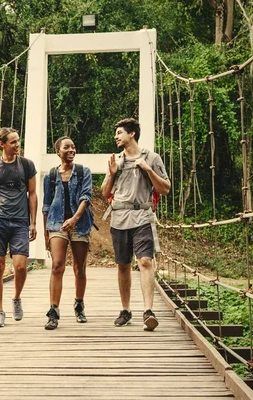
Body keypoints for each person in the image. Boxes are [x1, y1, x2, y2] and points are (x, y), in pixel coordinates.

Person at [100, 118, 170, 331]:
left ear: (132, 134)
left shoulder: (152, 158)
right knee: (123, 265)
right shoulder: (117, 160)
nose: (116, 136)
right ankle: (125, 310)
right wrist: (111, 174)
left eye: (119, 132)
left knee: (145, 261)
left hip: (142, 217)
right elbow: (105, 193)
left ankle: (148, 311)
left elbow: (165, 188)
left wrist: (148, 170)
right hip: (120, 218)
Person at [0, 127, 38, 327]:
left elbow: (32, 193)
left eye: (18, 141)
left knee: (20, 266)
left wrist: (33, 222)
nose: (17, 145)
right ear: (2, 144)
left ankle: (16, 298)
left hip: (19, 221)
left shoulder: (26, 165)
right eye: (13, 142)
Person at [42, 136, 94, 330]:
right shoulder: (50, 176)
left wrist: (74, 219)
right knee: (57, 266)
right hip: (56, 224)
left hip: (79, 224)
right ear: (58, 152)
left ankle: (79, 304)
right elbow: (46, 206)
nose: (71, 150)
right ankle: (53, 311)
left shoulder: (83, 172)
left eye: (73, 146)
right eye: (67, 147)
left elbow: (86, 197)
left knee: (79, 267)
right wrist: (46, 232)